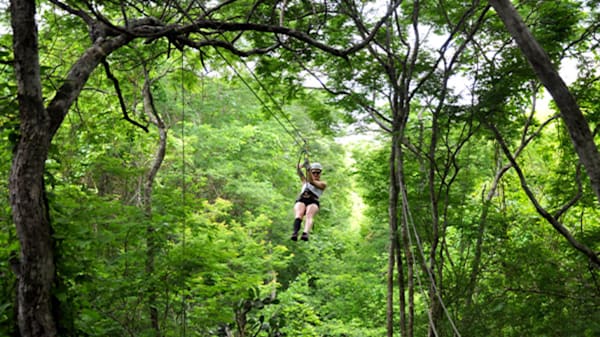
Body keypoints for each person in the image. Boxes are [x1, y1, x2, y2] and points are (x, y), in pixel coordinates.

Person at [291, 161, 327, 241]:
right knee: (299, 213)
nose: (316, 174)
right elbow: (298, 171)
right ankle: (295, 232)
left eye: (318, 173)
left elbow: (312, 182)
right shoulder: (305, 181)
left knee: (309, 215)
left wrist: (308, 169)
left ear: (320, 173)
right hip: (302, 199)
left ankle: (305, 233)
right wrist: (303, 165)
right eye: (313, 172)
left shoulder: (322, 184)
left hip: (313, 201)